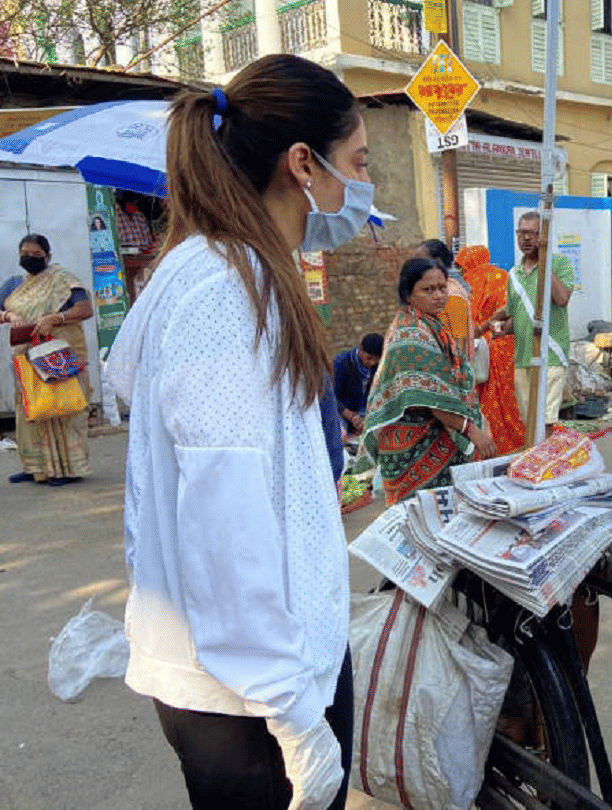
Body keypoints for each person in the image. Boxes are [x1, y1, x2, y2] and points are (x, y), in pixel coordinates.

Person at [106, 55, 371, 810]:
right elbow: (227, 527)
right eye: (356, 163)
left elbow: (129, 382)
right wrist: (295, 720)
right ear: (302, 165)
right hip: (248, 699)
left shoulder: (206, 265)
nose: (362, 187)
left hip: (244, 679)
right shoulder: (231, 290)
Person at [354, 256, 497, 505]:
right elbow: (433, 399)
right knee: (422, 513)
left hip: (431, 435)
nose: (438, 295)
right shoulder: (411, 333)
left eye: (442, 288)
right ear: (408, 294)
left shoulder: (429, 323)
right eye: (427, 290)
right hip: (412, 445)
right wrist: (472, 430)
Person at [1, 234, 94, 485]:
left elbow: (85, 309)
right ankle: (35, 468)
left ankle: (67, 470)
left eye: (35, 255)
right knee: (30, 409)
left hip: (58, 357)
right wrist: (9, 315)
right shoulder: (13, 285)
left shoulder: (63, 280)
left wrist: (56, 318)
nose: (29, 259)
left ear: (48, 257)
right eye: (25, 255)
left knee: (62, 407)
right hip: (27, 359)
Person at [491, 211, 574, 438]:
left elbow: (562, 299)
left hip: (551, 353)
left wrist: (545, 262)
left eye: (532, 234)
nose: (526, 239)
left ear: (544, 236)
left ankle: (544, 465)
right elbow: (515, 315)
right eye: (522, 233)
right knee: (529, 420)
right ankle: (537, 461)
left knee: (545, 420)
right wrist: (501, 329)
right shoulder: (514, 274)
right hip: (523, 355)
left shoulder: (560, 263)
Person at [456, 244, 527, 454]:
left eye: (461, 265)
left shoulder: (467, 283)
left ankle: (493, 441)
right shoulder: (503, 276)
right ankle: (520, 438)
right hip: (507, 342)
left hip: (483, 344)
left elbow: (467, 320)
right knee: (510, 395)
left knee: (487, 397)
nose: (460, 270)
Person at [415, 238, 473, 360]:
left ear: (436, 261)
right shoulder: (437, 292)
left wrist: (455, 375)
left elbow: (459, 341)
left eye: (421, 261)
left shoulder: (451, 295)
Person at [332, 332, 383, 434]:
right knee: (341, 434)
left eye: (376, 360)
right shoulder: (341, 363)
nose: (372, 363)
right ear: (360, 350)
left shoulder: (378, 366)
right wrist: (350, 415)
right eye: (369, 358)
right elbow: (332, 397)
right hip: (341, 411)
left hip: (363, 411)